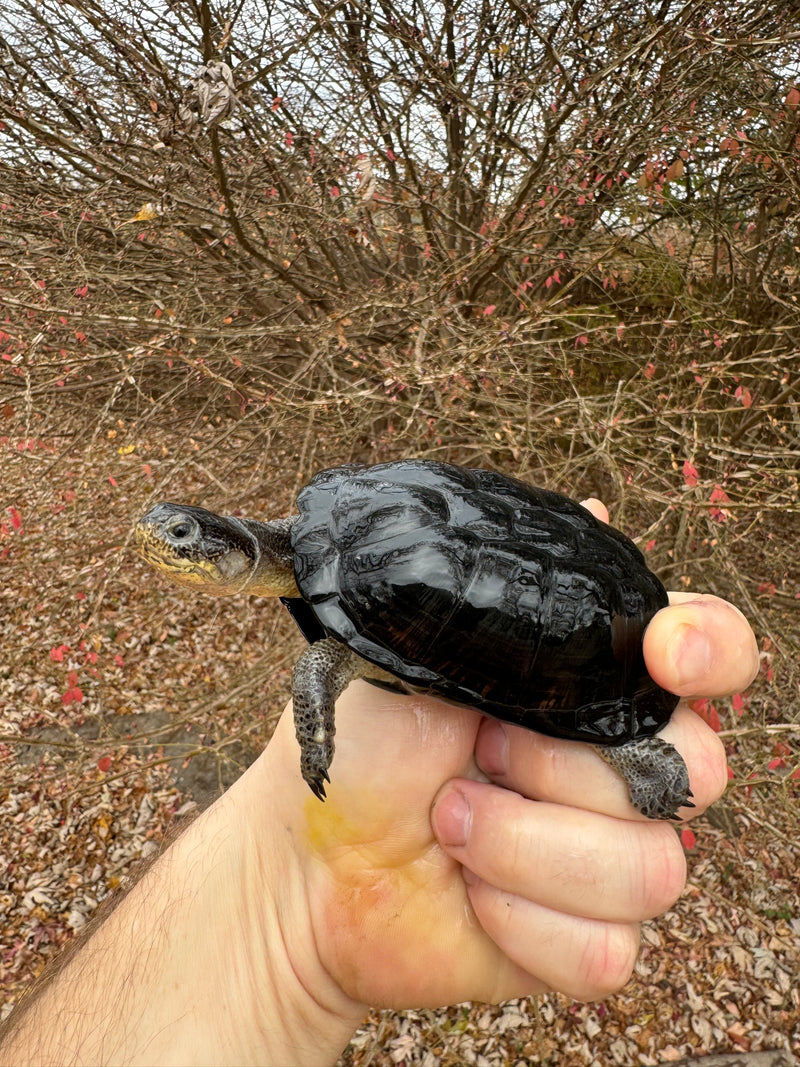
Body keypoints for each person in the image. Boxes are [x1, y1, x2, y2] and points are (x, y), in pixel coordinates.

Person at [0, 521, 758, 1065]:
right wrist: (289, 896)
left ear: (239, 551)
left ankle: (624, 744)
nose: (178, 553)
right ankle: (623, 741)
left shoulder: (338, 555)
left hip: (564, 617)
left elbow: (328, 661)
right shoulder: (345, 523)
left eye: (190, 544)